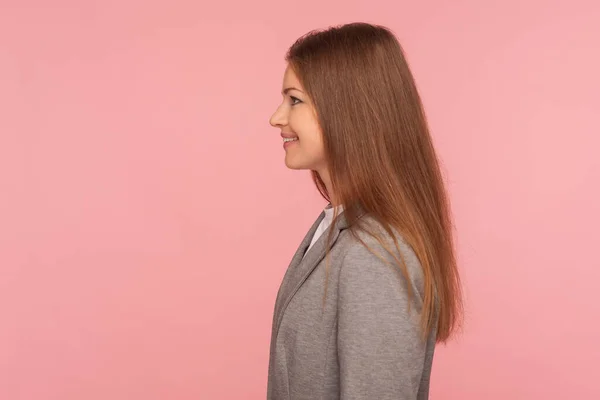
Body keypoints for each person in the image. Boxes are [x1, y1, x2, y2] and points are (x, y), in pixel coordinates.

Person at [267, 22, 463, 400]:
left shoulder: (374, 254)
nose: (276, 118)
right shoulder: (339, 226)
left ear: (347, 108)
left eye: (294, 99)